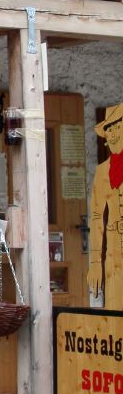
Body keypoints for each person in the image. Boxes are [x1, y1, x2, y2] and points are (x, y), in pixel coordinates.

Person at [89, 102, 123, 307]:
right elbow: (95, 216)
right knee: (116, 307)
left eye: (117, 127)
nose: (112, 134)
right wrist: (95, 263)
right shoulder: (103, 171)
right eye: (109, 129)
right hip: (113, 252)